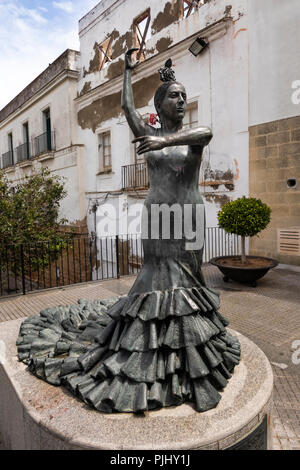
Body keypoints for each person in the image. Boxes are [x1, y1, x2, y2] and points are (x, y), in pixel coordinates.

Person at [17, 50, 240, 414]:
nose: (182, 101)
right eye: (174, 96)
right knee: (156, 279)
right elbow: (126, 109)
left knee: (190, 282)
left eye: (184, 96)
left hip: (188, 216)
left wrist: (164, 142)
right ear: (160, 103)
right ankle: (148, 353)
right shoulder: (147, 130)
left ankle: (189, 358)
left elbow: (208, 131)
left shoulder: (189, 137)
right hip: (157, 216)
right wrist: (127, 72)